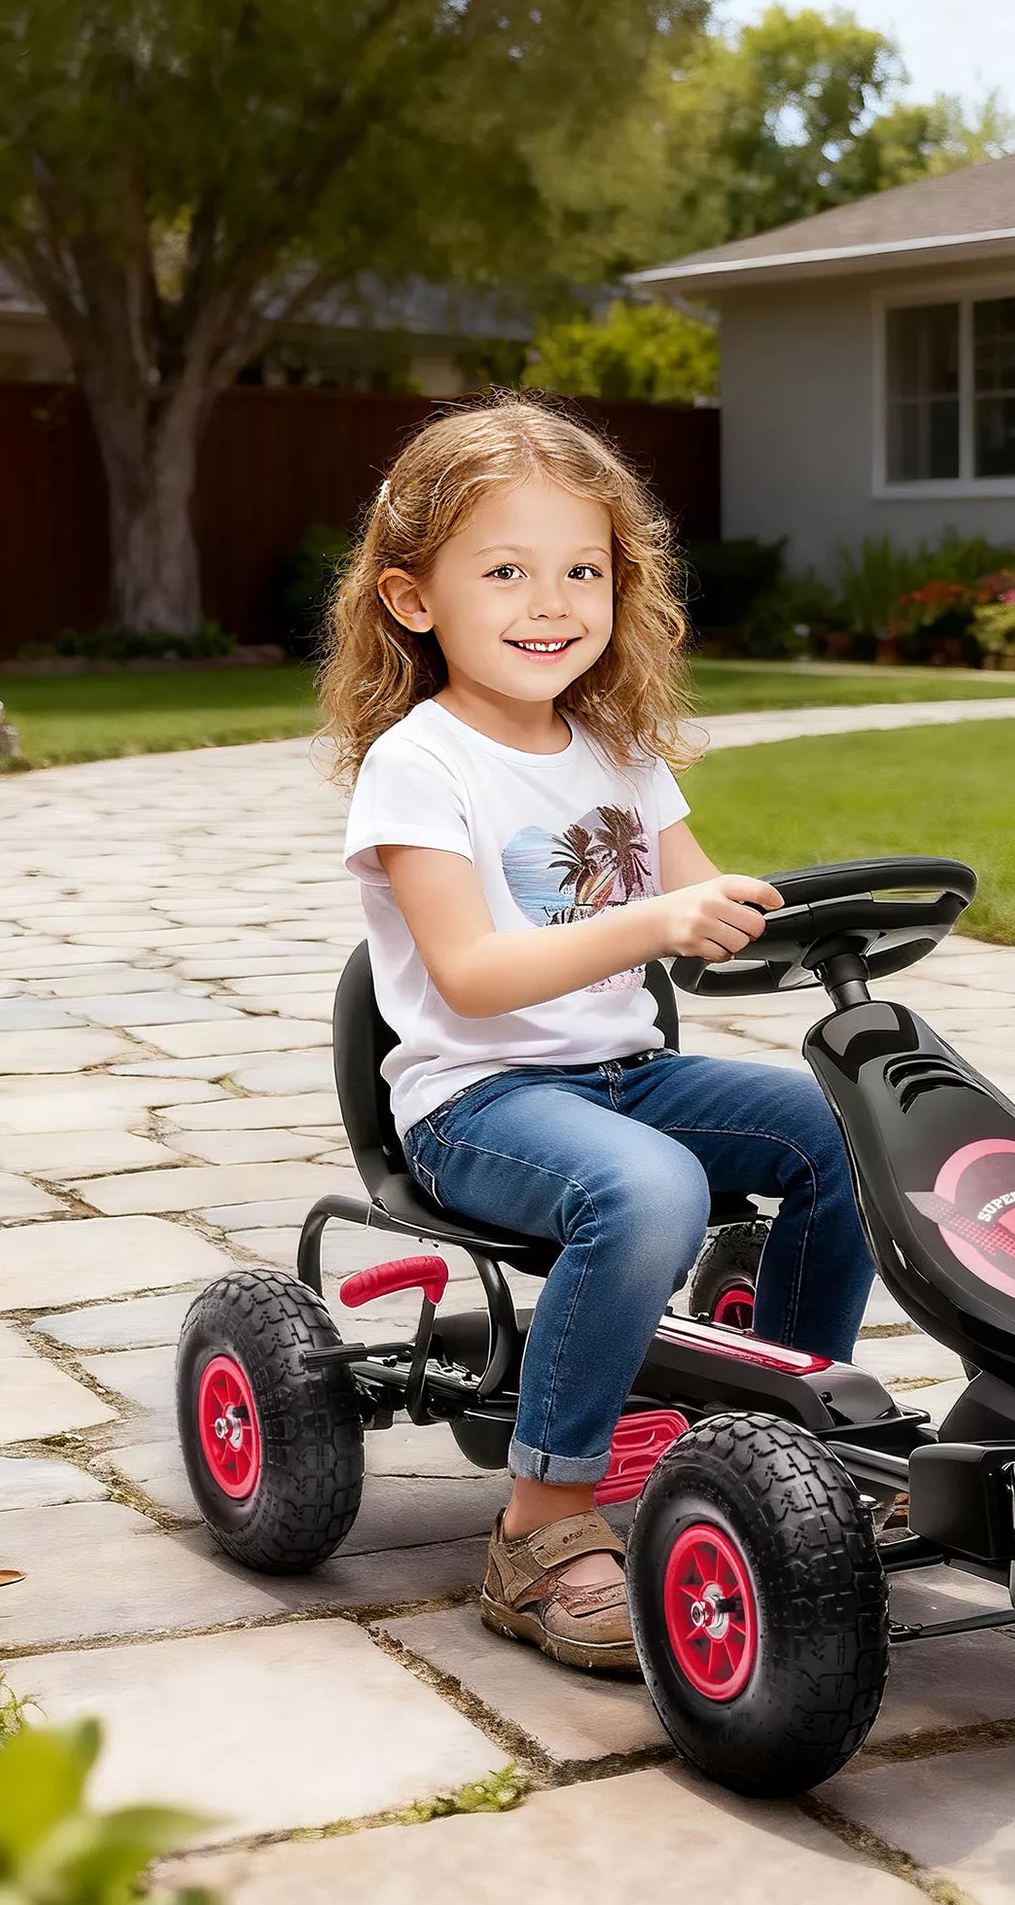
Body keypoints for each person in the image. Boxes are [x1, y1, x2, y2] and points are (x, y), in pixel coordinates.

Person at [319, 396, 875, 1675]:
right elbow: (467, 974)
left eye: (581, 569)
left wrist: (785, 918)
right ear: (413, 600)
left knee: (846, 1126)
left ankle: (782, 1443)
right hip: (478, 1097)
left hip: (626, 1071)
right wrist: (655, 922)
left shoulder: (617, 748)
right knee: (647, 1186)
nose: (550, 599)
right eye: (504, 570)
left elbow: (705, 902)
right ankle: (542, 1521)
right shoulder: (422, 765)